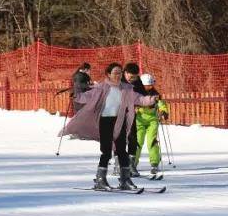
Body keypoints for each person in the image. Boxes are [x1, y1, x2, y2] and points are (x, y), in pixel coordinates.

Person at [59, 62, 157, 190]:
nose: (118, 75)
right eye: (115, 73)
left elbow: (138, 99)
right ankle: (101, 179)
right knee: (106, 151)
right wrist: (77, 96)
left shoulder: (126, 88)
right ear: (108, 74)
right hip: (105, 122)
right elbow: (88, 96)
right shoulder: (102, 87)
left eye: (119, 73)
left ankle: (125, 179)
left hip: (119, 121)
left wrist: (152, 99)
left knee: (122, 150)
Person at [134, 73, 170, 178]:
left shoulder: (155, 94)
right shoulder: (136, 93)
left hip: (152, 121)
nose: (148, 87)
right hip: (139, 120)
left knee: (152, 141)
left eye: (150, 85)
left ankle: (154, 163)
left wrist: (163, 111)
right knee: (138, 141)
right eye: (146, 85)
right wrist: (133, 109)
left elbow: (161, 104)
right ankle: (133, 163)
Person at [123, 62, 143, 175]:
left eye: (135, 77)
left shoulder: (137, 81)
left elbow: (142, 94)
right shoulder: (117, 80)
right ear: (125, 73)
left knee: (133, 138)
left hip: (131, 113)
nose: (133, 79)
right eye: (131, 77)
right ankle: (119, 165)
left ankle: (131, 165)